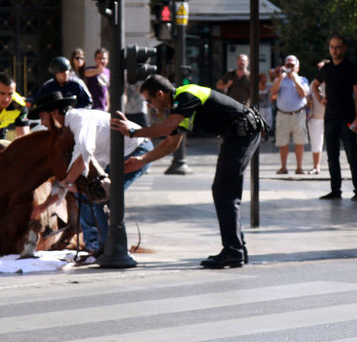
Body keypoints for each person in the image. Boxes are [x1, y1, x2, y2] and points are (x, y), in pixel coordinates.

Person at [110, 74, 265, 269]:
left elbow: (167, 128)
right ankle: (236, 249)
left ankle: (233, 251)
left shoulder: (186, 95)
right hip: (238, 133)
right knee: (224, 191)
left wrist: (132, 132)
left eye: (149, 100)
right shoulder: (181, 108)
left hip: (242, 132)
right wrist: (142, 160)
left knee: (224, 191)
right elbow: (171, 143)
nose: (149, 106)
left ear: (160, 93)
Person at [27, 91, 154, 256]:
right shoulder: (68, 132)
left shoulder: (78, 120)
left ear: (55, 113)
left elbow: (85, 152)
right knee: (93, 194)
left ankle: (110, 248)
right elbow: (71, 172)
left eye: (43, 117)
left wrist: (68, 182)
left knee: (103, 196)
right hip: (114, 157)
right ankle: (99, 245)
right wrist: (44, 205)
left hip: (136, 150)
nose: (43, 123)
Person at [311, 35, 357, 201]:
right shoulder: (326, 68)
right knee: (332, 157)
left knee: (352, 156)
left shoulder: (351, 67)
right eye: (332, 47)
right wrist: (320, 99)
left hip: (347, 117)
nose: (334, 50)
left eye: (338, 47)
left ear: (344, 48)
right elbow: (314, 85)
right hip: (330, 118)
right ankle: (336, 190)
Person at [270, 55, 309, 175]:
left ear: (297, 67)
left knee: (299, 142)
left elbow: (303, 94)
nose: (290, 68)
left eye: (292, 66)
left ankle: (299, 167)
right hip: (283, 114)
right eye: (288, 65)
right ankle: (283, 167)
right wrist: (281, 77)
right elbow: (273, 92)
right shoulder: (280, 80)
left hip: (298, 114)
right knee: (283, 143)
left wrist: (295, 79)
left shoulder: (302, 79)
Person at [306, 60, 328, 175]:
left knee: (331, 142)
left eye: (322, 68)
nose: (320, 71)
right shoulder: (313, 83)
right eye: (319, 68)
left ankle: (334, 166)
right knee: (316, 142)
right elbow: (308, 98)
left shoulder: (333, 82)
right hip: (315, 117)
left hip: (330, 116)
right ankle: (316, 166)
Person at [257, 71, 274, 140]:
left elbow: (273, 91)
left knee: (268, 122)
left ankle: (266, 135)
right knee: (260, 122)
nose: (265, 79)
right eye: (264, 78)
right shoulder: (256, 86)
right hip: (260, 107)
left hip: (267, 106)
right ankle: (261, 136)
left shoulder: (269, 85)